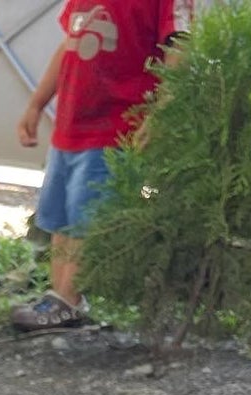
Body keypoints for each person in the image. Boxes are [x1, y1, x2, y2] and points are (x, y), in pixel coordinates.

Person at [12, 2, 191, 331]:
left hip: (116, 127)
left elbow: (179, 47)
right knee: (61, 219)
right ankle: (58, 297)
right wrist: (37, 103)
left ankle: (69, 299)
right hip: (71, 126)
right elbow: (69, 44)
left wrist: (162, 112)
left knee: (86, 218)